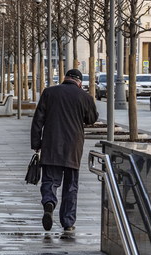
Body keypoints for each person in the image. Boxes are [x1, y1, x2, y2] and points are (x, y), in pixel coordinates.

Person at [31, 68, 98, 232]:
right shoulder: (84, 96)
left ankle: (49, 202)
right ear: (80, 83)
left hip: (51, 144)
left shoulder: (49, 92)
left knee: (50, 180)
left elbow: (38, 119)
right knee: (71, 185)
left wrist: (36, 143)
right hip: (73, 147)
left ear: (64, 78)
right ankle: (68, 222)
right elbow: (91, 119)